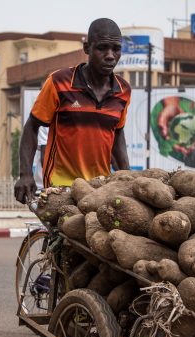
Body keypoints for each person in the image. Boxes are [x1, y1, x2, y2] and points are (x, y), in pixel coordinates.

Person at [14, 18, 131, 204]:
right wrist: (25, 174)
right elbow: (32, 126)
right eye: (102, 48)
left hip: (99, 187)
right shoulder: (59, 82)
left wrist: (127, 177)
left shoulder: (123, 91)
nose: (110, 55)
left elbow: (117, 135)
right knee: (66, 233)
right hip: (60, 186)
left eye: (116, 49)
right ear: (87, 48)